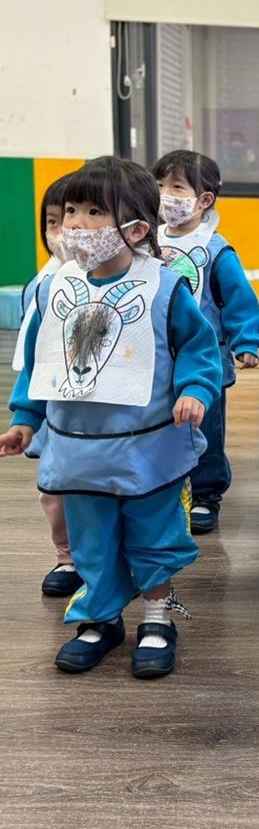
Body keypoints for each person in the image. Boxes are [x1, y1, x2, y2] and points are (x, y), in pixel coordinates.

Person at [0, 157, 221, 678]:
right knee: (92, 542)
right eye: (70, 211)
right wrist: (25, 418)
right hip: (78, 452)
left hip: (148, 449)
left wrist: (195, 389)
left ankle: (158, 616)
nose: (76, 224)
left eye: (94, 212)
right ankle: (99, 618)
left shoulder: (165, 289)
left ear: (137, 228)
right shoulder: (53, 289)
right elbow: (41, 361)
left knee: (153, 536)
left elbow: (198, 348)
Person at [153, 150, 259, 535]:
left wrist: (246, 341)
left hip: (207, 361)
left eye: (176, 187)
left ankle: (206, 493)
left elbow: (239, 299)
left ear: (204, 200)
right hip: (158, 356)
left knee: (206, 431)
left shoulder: (216, 249)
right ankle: (163, 487)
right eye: (160, 185)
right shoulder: (146, 240)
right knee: (162, 424)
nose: (165, 194)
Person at [13, 173, 81, 598]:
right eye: (54, 221)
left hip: (100, 411)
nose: (63, 231)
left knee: (99, 493)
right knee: (53, 489)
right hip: (51, 405)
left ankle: (111, 559)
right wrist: (25, 414)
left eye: (82, 215)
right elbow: (34, 356)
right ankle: (67, 557)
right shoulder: (42, 284)